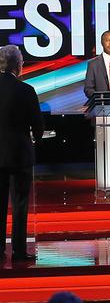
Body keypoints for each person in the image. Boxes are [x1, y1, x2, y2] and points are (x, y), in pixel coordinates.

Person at [0, 45, 43, 261]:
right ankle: (18, 251)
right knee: (20, 205)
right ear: (18, 65)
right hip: (20, 155)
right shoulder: (26, 90)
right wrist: (36, 134)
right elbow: (38, 128)